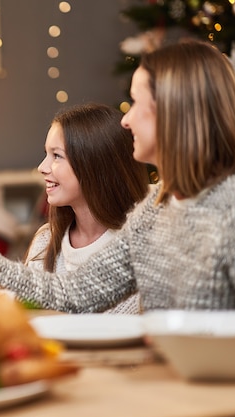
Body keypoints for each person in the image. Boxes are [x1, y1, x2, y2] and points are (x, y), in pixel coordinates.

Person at [0, 39, 235, 312]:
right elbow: (70, 293)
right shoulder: (155, 208)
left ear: (174, 114)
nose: (126, 119)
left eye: (137, 104)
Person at [23, 103, 149, 314]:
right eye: (47, 154)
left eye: (56, 156)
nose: (42, 167)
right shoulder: (46, 242)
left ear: (94, 163)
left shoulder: (142, 251)